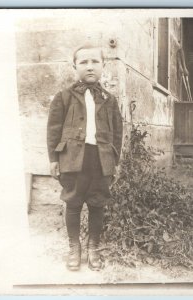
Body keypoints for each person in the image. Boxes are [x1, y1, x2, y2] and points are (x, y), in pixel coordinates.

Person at [46, 42, 123, 271]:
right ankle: (74, 248)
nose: (90, 67)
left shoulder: (109, 100)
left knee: (97, 204)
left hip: (100, 159)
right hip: (72, 159)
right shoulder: (64, 97)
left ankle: (93, 248)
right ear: (74, 66)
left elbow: (117, 133)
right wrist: (53, 159)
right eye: (84, 62)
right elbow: (53, 129)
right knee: (73, 203)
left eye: (95, 62)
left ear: (103, 65)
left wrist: (115, 161)